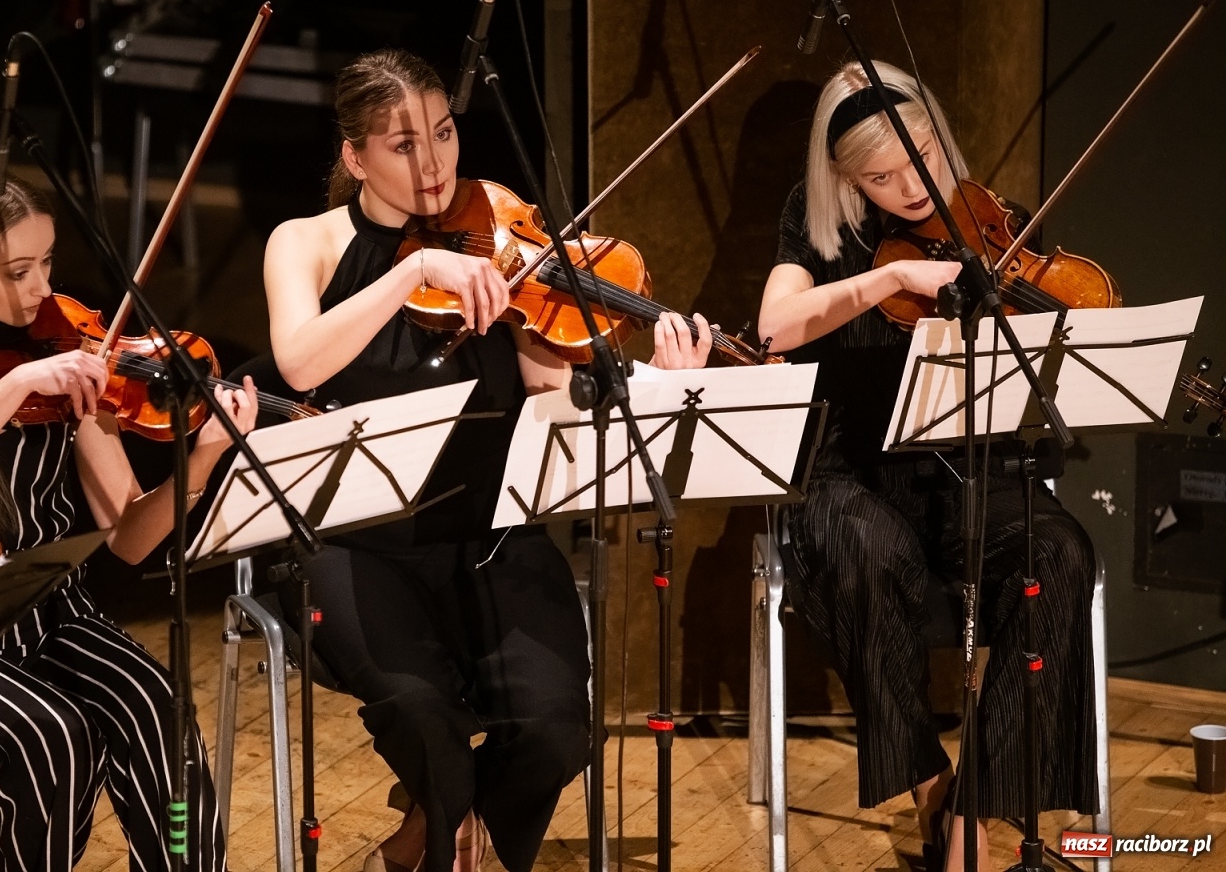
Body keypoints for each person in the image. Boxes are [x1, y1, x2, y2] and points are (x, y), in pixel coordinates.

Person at [262, 48, 712, 872]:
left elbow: (551, 381)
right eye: (403, 145)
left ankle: (431, 830)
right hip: (356, 545)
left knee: (556, 727)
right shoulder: (308, 244)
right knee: (419, 708)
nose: (433, 163)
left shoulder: (495, 249)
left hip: (489, 534)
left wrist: (651, 380)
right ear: (355, 157)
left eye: (443, 133)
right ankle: (446, 829)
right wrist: (414, 273)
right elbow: (298, 362)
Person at [0, 166, 257, 872]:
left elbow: (128, 537)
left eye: (49, 263)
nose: (42, 289)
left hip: (46, 605)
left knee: (157, 709)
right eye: (19, 269)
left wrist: (199, 464)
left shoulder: (59, 352)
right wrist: (16, 387)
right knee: (54, 739)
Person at [756, 61, 1098, 871]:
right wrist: (891, 278)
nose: (910, 186)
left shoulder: (997, 221)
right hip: (852, 467)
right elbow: (774, 326)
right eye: (880, 176)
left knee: (1061, 553)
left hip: (967, 462)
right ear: (844, 178)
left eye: (922, 160)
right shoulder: (817, 222)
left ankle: (972, 810)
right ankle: (930, 790)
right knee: (868, 552)